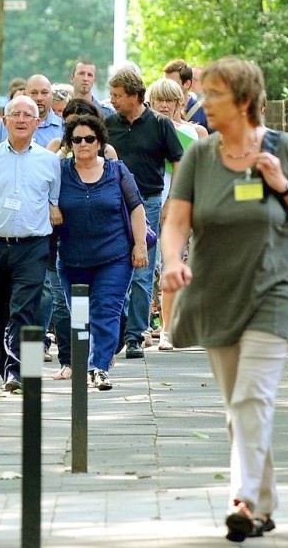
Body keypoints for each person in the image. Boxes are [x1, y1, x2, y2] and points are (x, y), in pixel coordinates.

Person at [160, 56, 288, 542]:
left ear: (244, 100)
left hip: (277, 292)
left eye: (214, 95)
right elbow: (176, 219)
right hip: (217, 292)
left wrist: (282, 184)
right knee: (240, 404)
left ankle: (242, 498)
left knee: (252, 397)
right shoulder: (200, 155)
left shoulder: (283, 149)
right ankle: (264, 505)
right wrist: (172, 261)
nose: (203, 102)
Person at [0, 95, 61, 392]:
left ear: (37, 122)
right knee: (0, 313)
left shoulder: (49, 162)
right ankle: (7, 368)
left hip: (34, 246)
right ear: (5, 121)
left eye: (27, 115)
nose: (21, 119)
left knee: (26, 308)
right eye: (15, 114)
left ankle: (19, 371)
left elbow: (54, 204)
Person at [56, 114, 148, 390]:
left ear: (99, 142)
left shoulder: (116, 170)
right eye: (77, 139)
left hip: (114, 256)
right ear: (70, 143)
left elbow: (137, 207)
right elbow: (43, 199)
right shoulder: (59, 171)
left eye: (89, 139)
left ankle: (99, 368)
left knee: (106, 310)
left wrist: (140, 245)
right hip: (72, 259)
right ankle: (88, 363)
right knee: (81, 316)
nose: (83, 144)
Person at [105, 68, 184, 359]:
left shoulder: (160, 124)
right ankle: (117, 329)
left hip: (149, 202)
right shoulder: (108, 124)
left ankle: (136, 334)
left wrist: (172, 201)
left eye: (117, 95)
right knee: (114, 267)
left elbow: (180, 162)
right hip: (113, 204)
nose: (112, 100)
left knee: (143, 269)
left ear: (134, 96)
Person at [145, 78, 207, 351]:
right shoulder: (145, 131)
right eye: (159, 99)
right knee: (147, 270)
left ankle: (170, 328)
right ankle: (145, 327)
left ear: (180, 102)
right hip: (148, 206)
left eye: (170, 99)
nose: (165, 105)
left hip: (182, 210)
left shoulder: (197, 133)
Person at [0, 74, 64, 149]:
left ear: (52, 95)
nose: (39, 98)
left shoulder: (63, 127)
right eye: (33, 93)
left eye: (44, 93)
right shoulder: (2, 125)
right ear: (25, 94)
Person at [47, 99, 118, 160]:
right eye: (69, 124)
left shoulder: (106, 150)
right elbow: (46, 169)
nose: (74, 129)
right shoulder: (57, 144)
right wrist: (63, 153)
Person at [163, 58, 209, 131]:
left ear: (187, 84)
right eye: (165, 83)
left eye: (173, 83)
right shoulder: (159, 110)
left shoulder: (204, 112)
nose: (167, 87)